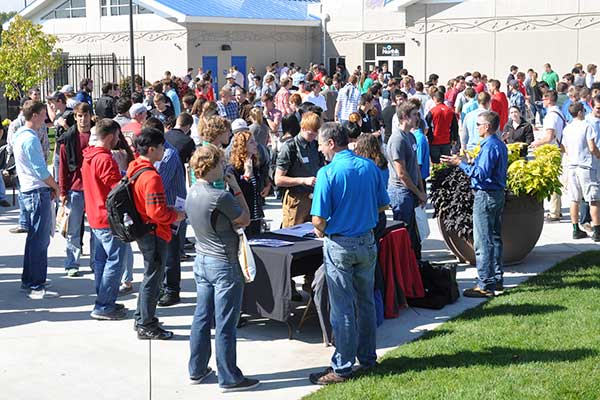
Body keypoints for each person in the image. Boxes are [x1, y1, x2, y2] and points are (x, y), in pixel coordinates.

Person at [309, 123, 389, 385]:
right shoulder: (369, 167)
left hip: (341, 245)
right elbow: (382, 205)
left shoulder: (328, 172)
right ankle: (367, 358)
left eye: (321, 144)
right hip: (366, 242)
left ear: (331, 143)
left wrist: (325, 230)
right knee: (365, 302)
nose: (320, 149)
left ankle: (342, 367)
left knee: (343, 307)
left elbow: (318, 218)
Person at [186, 144, 260, 392]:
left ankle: (196, 368)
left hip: (202, 260)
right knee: (226, 322)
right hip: (224, 263)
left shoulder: (193, 190)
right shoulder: (221, 197)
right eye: (220, 163)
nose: (224, 167)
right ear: (212, 166)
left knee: (202, 317)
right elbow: (245, 219)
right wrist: (237, 188)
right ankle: (229, 377)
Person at [441, 111, 508, 297]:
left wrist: (459, 164)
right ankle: (496, 279)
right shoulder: (498, 144)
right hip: (496, 194)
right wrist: (465, 161)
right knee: (494, 238)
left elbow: (481, 174)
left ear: (487, 127)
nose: (477, 127)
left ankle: (485, 285)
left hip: (486, 195)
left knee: (483, 242)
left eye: (479, 124)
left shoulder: (489, 146)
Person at [129, 128, 185, 340]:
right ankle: (147, 324)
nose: (164, 150)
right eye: (162, 147)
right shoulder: (152, 177)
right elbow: (156, 212)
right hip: (153, 231)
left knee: (149, 276)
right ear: (152, 149)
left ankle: (141, 317)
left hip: (143, 228)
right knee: (153, 278)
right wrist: (175, 215)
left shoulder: (135, 167)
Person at [81, 119, 128, 320]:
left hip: (94, 215)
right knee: (116, 261)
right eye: (117, 136)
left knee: (102, 260)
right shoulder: (105, 160)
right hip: (108, 219)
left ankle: (104, 299)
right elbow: (116, 189)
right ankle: (104, 304)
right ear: (109, 136)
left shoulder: (89, 157)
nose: (119, 139)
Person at [13, 101, 60, 299]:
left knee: (33, 239)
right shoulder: (30, 139)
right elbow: (40, 170)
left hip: (29, 190)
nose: (45, 118)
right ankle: (36, 284)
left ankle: (29, 280)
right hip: (36, 190)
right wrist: (55, 186)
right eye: (42, 114)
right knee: (39, 240)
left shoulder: (19, 135)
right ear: (34, 116)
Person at [387, 102, 427, 260]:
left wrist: (422, 191)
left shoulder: (411, 136)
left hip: (412, 192)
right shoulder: (397, 139)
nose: (417, 118)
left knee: (414, 236)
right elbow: (401, 173)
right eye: (414, 115)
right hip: (401, 193)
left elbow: (416, 167)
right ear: (404, 117)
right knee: (403, 236)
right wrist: (418, 192)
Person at [58, 102, 93, 277]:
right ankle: (72, 263)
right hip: (75, 188)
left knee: (97, 229)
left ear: (91, 116)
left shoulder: (97, 136)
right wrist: (63, 192)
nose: (83, 119)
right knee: (73, 230)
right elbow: (62, 167)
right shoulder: (68, 139)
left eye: (86, 115)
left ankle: (96, 261)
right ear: (75, 117)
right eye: (80, 116)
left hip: (94, 189)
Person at [275, 112, 323, 228]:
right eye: (312, 132)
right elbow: (278, 179)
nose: (315, 135)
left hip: (314, 199)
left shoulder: (315, 146)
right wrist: (303, 180)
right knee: (294, 235)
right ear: (303, 128)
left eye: (317, 132)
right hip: (296, 199)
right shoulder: (290, 148)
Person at [562, 101, 600, 241]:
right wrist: (598, 155)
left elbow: (563, 147)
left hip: (572, 165)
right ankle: (597, 231)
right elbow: (592, 147)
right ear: (579, 112)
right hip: (585, 166)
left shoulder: (567, 128)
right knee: (593, 199)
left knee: (574, 199)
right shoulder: (586, 126)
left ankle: (575, 229)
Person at [531, 90, 566, 222]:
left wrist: (536, 143)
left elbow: (549, 136)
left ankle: (554, 212)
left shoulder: (551, 116)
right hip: (557, 149)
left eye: (544, 100)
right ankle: (557, 209)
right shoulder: (559, 113)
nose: (542, 102)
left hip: (551, 151)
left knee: (552, 182)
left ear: (549, 100)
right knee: (555, 179)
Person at [226, 131, 271, 234]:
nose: (256, 145)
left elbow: (256, 193)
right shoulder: (232, 169)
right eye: (251, 142)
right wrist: (246, 175)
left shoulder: (255, 166)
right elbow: (237, 193)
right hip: (242, 219)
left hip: (255, 218)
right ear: (243, 146)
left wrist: (259, 216)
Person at [425, 91, 458, 163]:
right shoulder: (450, 111)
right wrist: (454, 138)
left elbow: (427, 125)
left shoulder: (432, 111)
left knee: (435, 163)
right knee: (446, 162)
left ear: (435, 99)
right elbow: (455, 126)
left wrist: (428, 136)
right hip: (446, 141)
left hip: (434, 141)